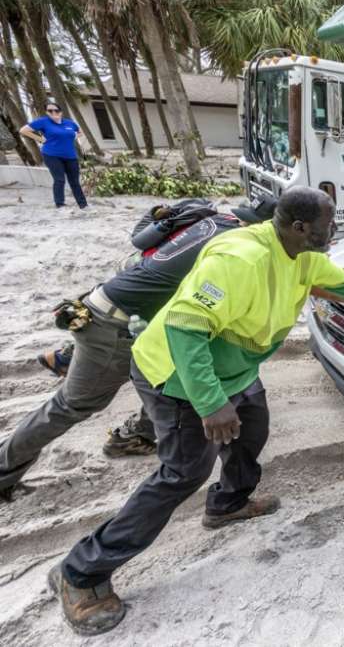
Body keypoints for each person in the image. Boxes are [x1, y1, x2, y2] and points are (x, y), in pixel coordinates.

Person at [51, 187, 344, 635]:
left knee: (251, 429)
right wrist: (210, 405)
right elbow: (185, 329)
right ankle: (80, 573)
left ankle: (228, 504)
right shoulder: (239, 260)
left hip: (233, 369)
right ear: (301, 227)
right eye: (328, 225)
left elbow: (339, 280)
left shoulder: (301, 252)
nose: (334, 231)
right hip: (175, 373)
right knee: (183, 472)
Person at [0, 197, 279, 504]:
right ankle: (3, 471)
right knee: (70, 405)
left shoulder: (214, 221)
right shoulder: (238, 247)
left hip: (118, 310)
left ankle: (133, 435)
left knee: (165, 374)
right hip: (114, 326)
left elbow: (138, 259)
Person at [19, 102, 88, 209]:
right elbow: (23, 130)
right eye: (50, 111)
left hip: (71, 156)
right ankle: (60, 204)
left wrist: (74, 136)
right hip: (51, 155)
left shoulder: (69, 123)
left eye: (56, 110)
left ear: (61, 112)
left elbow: (80, 132)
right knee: (59, 179)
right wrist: (41, 139)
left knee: (74, 181)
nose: (53, 112)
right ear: (47, 112)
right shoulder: (43, 122)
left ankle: (83, 204)